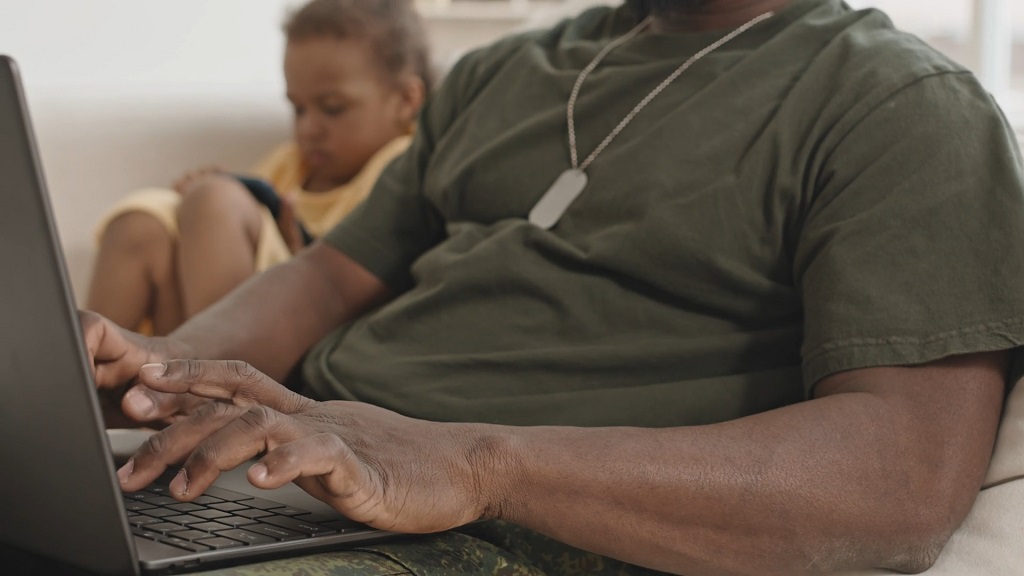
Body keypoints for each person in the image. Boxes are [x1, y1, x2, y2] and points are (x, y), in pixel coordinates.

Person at [81, 0, 1024, 574]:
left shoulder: (898, 106)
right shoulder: (503, 73)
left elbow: (902, 485)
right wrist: (164, 365)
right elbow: (330, 272)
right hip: (296, 484)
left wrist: (473, 464)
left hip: (531, 530)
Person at [85, 0, 431, 335]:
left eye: (332, 108)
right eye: (298, 109)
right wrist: (199, 199)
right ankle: (88, 380)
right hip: (212, 328)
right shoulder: (291, 162)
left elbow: (369, 279)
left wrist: (218, 203)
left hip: (296, 332)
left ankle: (217, 382)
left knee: (215, 200)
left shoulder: (405, 163)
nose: (308, 128)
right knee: (143, 223)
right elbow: (227, 231)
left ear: (405, 100)